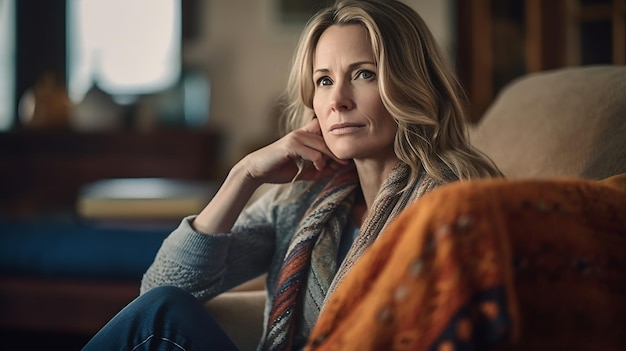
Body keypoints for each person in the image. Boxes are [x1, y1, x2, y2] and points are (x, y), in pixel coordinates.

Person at [82, 0, 501, 350]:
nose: (337, 100)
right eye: (323, 80)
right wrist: (243, 176)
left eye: (363, 74)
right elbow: (164, 284)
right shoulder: (306, 201)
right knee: (164, 312)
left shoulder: (451, 200)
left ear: (409, 82)